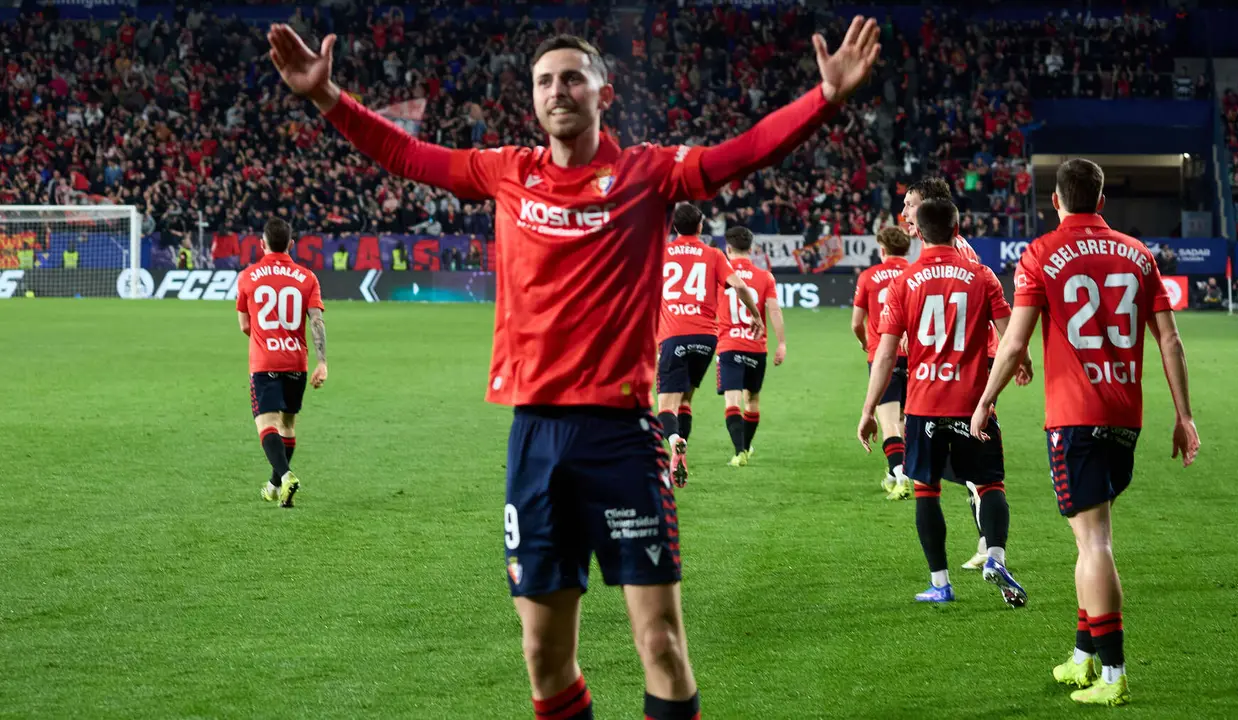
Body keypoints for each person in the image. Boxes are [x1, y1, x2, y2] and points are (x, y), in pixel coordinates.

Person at [269, 17, 880, 719]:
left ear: (603, 92)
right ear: (532, 98)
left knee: (662, 644)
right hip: (533, 438)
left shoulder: (647, 174)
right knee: (543, 655)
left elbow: (736, 156)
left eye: (572, 78)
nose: (558, 90)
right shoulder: (506, 173)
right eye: (544, 81)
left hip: (620, 438)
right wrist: (326, 98)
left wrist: (823, 99)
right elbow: (408, 156)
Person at [970, 158, 1200, 706]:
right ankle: (1083, 655)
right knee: (1091, 538)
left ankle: (1114, 674)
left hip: (1075, 417)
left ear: (1055, 200)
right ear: (1101, 201)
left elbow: (1015, 342)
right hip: (1125, 413)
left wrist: (985, 400)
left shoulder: (1041, 253)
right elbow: (1170, 341)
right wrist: (1184, 414)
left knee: (1094, 542)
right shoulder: (1139, 254)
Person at [858, 197, 1027, 608]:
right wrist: (1022, 362)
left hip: (924, 404)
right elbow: (1009, 337)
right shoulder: (982, 275)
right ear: (956, 228)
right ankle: (996, 556)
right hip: (973, 403)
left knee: (926, 490)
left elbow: (885, 353)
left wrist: (868, 410)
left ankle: (940, 583)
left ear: (919, 231)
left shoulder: (904, 281)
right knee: (989, 484)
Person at [902, 177, 1032, 570]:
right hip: (968, 363)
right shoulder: (950, 251)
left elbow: (972, 311)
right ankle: (987, 540)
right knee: (970, 461)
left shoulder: (952, 254)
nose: (904, 212)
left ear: (928, 208)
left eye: (910, 204)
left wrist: (1011, 356)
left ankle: (985, 543)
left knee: (963, 462)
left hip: (964, 368)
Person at [656, 203, 761, 487]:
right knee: (686, 400)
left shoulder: (662, 253)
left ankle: (676, 441)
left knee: (666, 405)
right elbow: (739, 286)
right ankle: (681, 455)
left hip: (672, 334)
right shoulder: (712, 254)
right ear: (701, 227)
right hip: (706, 338)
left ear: (674, 227)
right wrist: (755, 315)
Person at [236, 217, 328, 508]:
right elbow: (316, 321)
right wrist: (322, 362)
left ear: (261, 244)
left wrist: (266, 338)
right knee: (287, 425)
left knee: (267, 425)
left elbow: (244, 325)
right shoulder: (308, 277)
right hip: (296, 361)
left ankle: (286, 476)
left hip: (265, 360)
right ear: (291, 244)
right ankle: (275, 486)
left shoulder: (248, 276)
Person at [851, 225, 912, 499]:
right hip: (916, 357)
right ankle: (894, 472)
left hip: (882, 355)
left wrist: (865, 341)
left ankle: (901, 477)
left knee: (887, 419)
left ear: (882, 249)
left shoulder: (868, 276)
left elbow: (856, 323)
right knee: (904, 418)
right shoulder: (916, 273)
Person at [717, 226, 784, 467]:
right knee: (752, 400)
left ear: (728, 248)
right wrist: (782, 343)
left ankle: (739, 451)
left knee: (732, 400)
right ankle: (745, 447)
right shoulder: (765, 276)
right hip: (757, 347)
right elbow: (774, 310)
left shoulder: (720, 273)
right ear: (751, 249)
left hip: (729, 344)